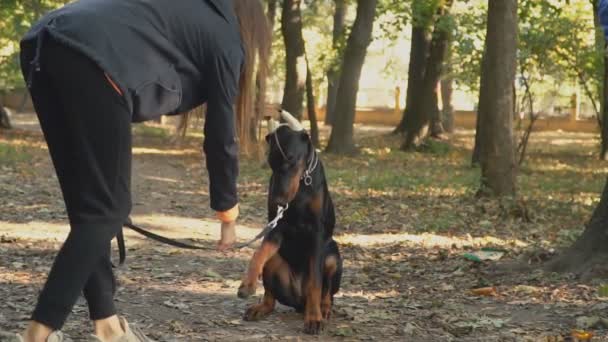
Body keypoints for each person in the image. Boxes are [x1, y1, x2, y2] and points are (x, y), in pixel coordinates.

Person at [1, 0, 270, 341]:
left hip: (43, 41)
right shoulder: (227, 38)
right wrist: (227, 214)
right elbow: (221, 135)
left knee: (90, 210)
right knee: (108, 211)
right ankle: (36, 335)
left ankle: (108, 325)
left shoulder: (177, 13)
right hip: (94, 55)